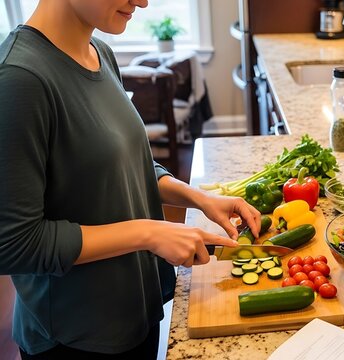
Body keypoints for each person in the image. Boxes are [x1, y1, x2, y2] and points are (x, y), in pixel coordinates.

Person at [0, 0, 261, 358]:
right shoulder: (18, 79)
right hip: (75, 338)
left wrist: (201, 199)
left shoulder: (99, 52)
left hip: (132, 313)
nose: (142, 1)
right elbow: (14, 244)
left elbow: (123, 165)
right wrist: (150, 233)